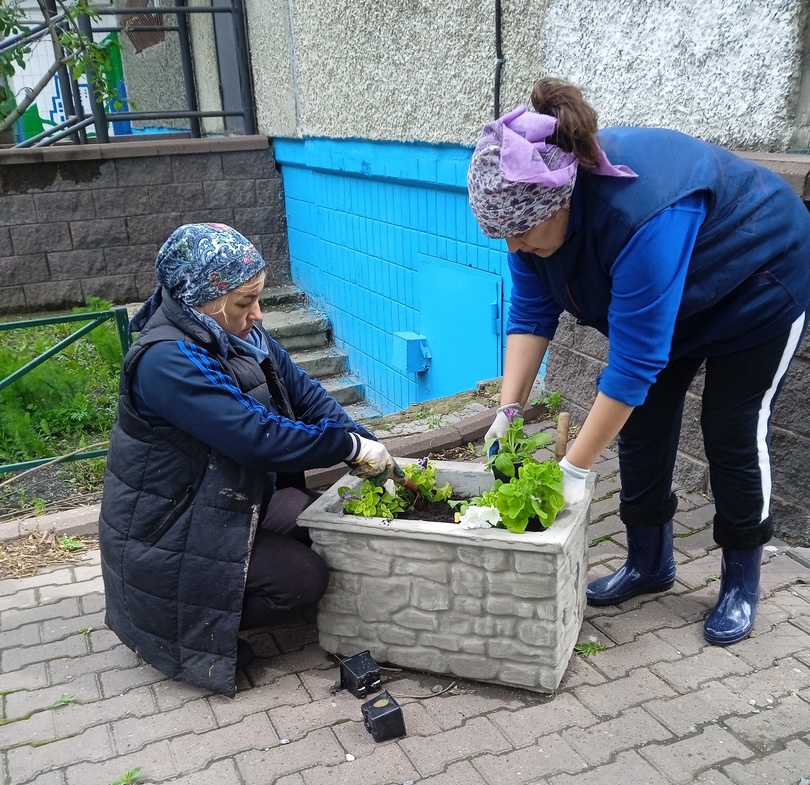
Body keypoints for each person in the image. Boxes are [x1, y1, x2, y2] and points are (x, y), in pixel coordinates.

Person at [468, 78, 810, 646]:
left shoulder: (640, 214)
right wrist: (507, 410)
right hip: (677, 299)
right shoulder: (526, 220)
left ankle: (741, 579)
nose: (513, 247)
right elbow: (531, 314)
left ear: (563, 201)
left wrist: (574, 471)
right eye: (500, 235)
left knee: (730, 429)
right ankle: (650, 563)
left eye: (521, 233)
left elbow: (632, 364)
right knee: (643, 425)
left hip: (760, 284)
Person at [99, 222, 395, 697]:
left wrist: (365, 442)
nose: (257, 313)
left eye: (258, 298)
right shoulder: (165, 361)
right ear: (201, 300)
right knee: (303, 580)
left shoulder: (243, 337)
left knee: (318, 517)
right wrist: (346, 449)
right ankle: (187, 629)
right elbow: (255, 436)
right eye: (244, 302)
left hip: (218, 504)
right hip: (165, 533)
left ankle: (227, 591)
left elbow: (307, 396)